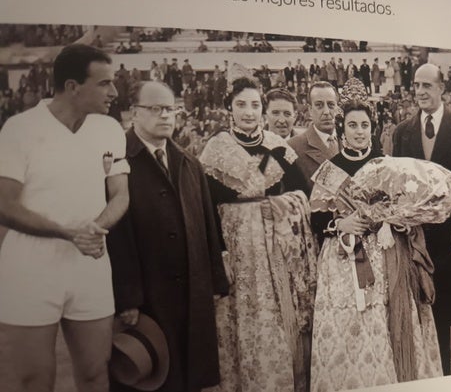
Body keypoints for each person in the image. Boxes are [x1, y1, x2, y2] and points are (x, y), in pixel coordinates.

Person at [0, 44, 130, 392]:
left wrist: (95, 228)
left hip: (90, 261)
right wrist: (68, 231)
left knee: (95, 374)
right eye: (104, 83)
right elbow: (5, 205)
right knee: (35, 381)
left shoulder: (109, 130)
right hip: (29, 267)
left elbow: (121, 194)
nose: (114, 92)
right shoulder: (18, 130)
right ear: (73, 86)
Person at [310, 100, 442, 391]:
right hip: (345, 257)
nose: (359, 131)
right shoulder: (330, 169)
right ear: (342, 130)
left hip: (387, 254)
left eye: (365, 125)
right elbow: (316, 218)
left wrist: (394, 220)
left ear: (372, 128)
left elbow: (405, 208)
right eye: (353, 125)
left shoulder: (386, 164)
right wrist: (339, 225)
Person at [106, 81, 228, 391]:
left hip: (191, 290)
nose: (165, 116)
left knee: (188, 374)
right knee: (150, 375)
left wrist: (214, 281)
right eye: (155, 109)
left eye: (170, 109)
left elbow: (207, 225)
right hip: (146, 295)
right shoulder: (117, 162)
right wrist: (127, 298)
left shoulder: (188, 162)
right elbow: (116, 237)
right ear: (134, 113)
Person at [199, 77, 316, 392]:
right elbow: (206, 209)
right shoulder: (215, 150)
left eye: (254, 105)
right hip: (235, 256)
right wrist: (219, 254)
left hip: (276, 257)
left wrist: (281, 205)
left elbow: (305, 195)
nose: (249, 112)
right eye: (241, 104)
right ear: (229, 108)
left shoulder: (277, 149)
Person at [393, 63, 451, 375]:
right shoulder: (403, 132)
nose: (420, 92)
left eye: (427, 85)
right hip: (419, 243)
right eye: (416, 85)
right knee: (431, 313)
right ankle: (441, 376)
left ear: (443, 89)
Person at [288, 81, 340, 194]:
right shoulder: (293, 147)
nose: (326, 112)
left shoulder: (349, 141)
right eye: (319, 105)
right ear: (310, 110)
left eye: (331, 105)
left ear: (337, 108)